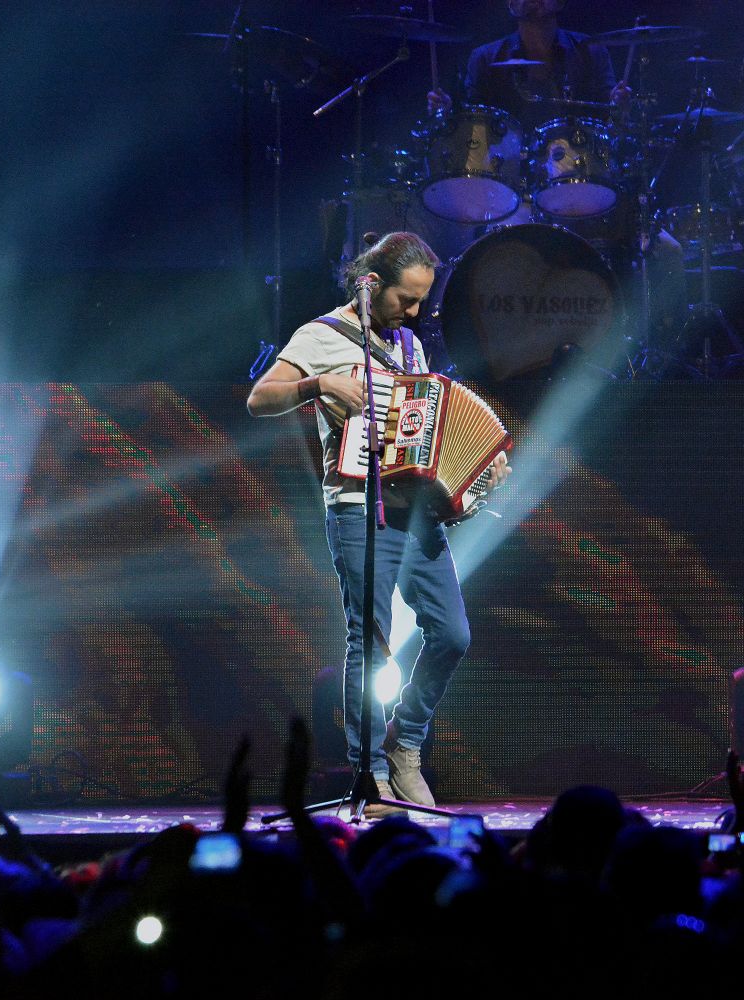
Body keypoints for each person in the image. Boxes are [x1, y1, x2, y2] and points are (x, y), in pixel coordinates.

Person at [247, 232, 510, 816]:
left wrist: (474, 476)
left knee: (453, 634)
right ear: (371, 285)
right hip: (356, 506)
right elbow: (259, 399)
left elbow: (427, 435)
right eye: (405, 299)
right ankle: (371, 774)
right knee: (370, 645)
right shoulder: (321, 335)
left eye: (421, 301)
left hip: (414, 514)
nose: (413, 313)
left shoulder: (410, 347)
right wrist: (319, 384)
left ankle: (406, 745)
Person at [428, 0, 629, 127]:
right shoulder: (484, 58)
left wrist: (618, 104)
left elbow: (611, 117)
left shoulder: (591, 51)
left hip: (579, 168)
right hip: (507, 171)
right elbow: (473, 121)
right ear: (510, 4)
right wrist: (448, 112)